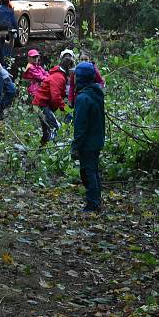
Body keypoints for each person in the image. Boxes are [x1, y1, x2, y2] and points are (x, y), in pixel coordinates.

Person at [71, 62, 105, 212]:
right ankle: (95, 201)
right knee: (93, 171)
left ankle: (92, 204)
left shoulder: (83, 98)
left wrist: (75, 146)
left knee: (88, 172)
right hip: (96, 140)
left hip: (88, 143)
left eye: (76, 75)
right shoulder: (96, 92)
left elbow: (80, 126)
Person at [31, 53, 73, 144]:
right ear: (68, 68)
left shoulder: (60, 76)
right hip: (41, 105)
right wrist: (66, 110)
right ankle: (55, 149)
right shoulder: (59, 77)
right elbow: (56, 97)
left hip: (42, 104)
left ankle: (42, 148)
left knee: (47, 131)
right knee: (55, 127)